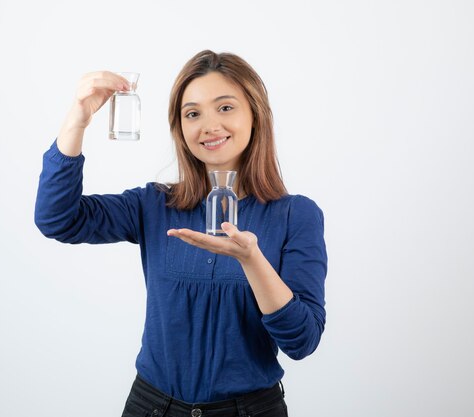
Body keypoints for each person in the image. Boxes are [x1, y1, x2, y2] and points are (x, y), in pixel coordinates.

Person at [34, 50, 327, 417]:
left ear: (255, 113)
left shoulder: (296, 215)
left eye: (225, 108)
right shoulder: (155, 204)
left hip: (250, 411)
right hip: (152, 407)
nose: (208, 125)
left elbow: (302, 340)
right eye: (192, 113)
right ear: (180, 128)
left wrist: (252, 260)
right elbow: (57, 218)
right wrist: (77, 121)